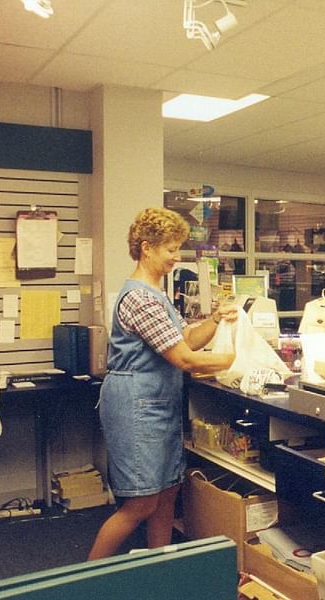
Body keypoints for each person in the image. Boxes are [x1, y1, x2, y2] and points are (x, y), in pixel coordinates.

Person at [88, 207, 237, 560]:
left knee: (167, 493)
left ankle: (160, 569)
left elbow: (185, 337)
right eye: (170, 249)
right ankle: (84, 580)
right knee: (141, 502)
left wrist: (215, 319)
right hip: (138, 406)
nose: (176, 257)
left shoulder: (157, 294)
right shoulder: (140, 297)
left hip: (157, 403)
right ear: (146, 248)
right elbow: (184, 358)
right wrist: (236, 361)